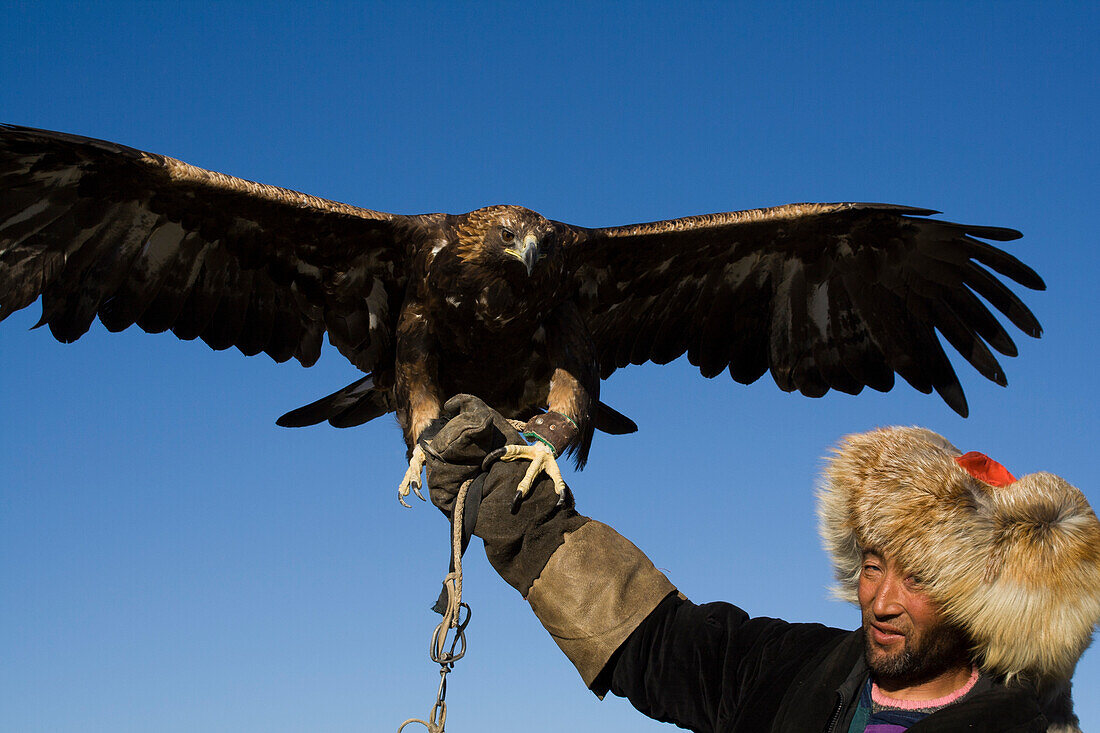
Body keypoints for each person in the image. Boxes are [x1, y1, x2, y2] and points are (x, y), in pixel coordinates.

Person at [420, 395, 1100, 733]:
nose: (882, 600)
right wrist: (523, 519)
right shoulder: (801, 671)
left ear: (981, 596)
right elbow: (653, 641)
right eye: (872, 563)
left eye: (919, 576)